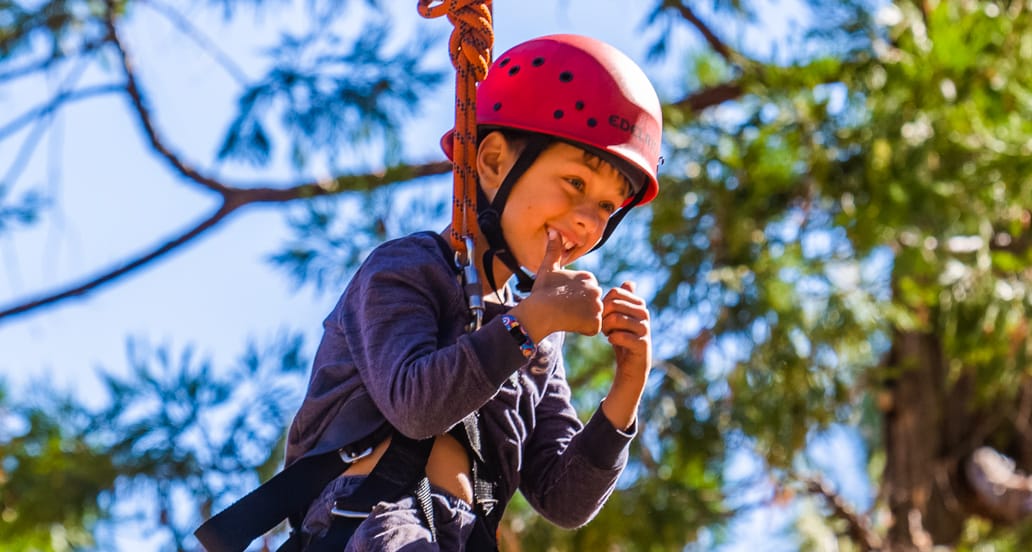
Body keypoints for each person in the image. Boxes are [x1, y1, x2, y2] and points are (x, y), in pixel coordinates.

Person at [195, 33, 663, 552]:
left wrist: (627, 387)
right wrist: (528, 324)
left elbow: (563, 499)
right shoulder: (407, 270)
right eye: (574, 184)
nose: (586, 219)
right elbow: (415, 406)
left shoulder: (538, 347)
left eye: (605, 207)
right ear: (491, 162)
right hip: (373, 520)